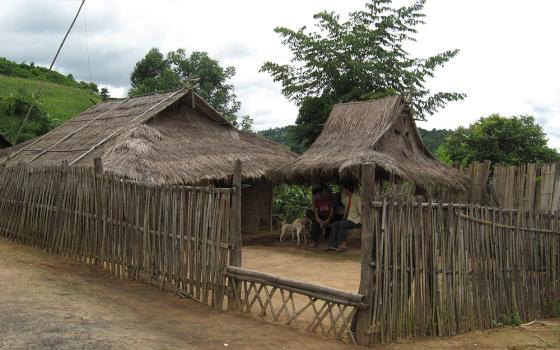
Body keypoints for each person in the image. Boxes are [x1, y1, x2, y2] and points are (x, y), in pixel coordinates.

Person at [328, 182, 361, 252]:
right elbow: (342, 200)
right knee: (335, 224)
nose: (343, 191)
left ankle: (343, 244)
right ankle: (332, 245)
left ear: (347, 190)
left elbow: (361, 210)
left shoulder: (357, 198)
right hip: (348, 220)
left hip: (355, 221)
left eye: (344, 190)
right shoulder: (347, 198)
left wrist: (363, 222)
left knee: (343, 224)